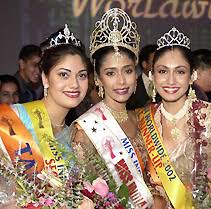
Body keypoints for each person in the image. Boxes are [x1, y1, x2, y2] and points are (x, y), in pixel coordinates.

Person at [137, 27, 211, 209]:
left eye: (180, 71)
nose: (171, 80)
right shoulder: (140, 119)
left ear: (192, 76)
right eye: (163, 71)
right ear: (152, 76)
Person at [0, 24, 89, 208]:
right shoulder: (15, 117)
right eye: (64, 74)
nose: (75, 84)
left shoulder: (75, 137)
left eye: (82, 75)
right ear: (45, 78)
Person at [72, 8, 154, 208]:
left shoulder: (144, 118)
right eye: (110, 73)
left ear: (136, 75)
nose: (121, 81)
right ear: (98, 79)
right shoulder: (86, 128)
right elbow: (85, 190)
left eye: (127, 71)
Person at [127, 44, 158, 110]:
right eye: (155, 61)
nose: (159, 65)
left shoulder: (165, 83)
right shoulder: (131, 85)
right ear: (144, 64)